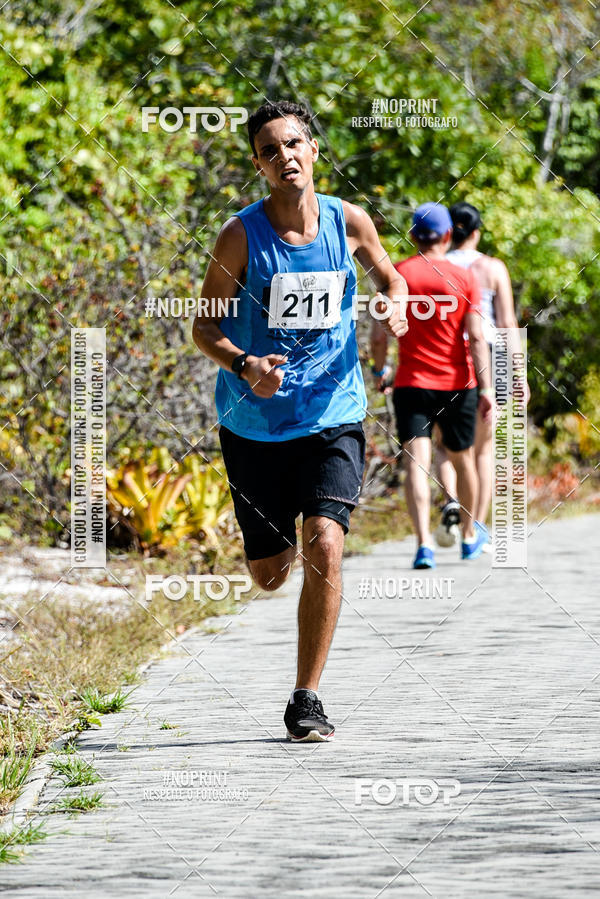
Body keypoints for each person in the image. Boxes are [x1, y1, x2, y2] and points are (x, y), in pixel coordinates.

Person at [193, 100, 407, 742]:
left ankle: (306, 698)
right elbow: (203, 327)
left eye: (294, 143)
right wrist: (244, 362)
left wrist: (392, 308)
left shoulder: (351, 222)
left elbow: (391, 280)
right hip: (253, 423)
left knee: (326, 541)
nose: (285, 155)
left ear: (313, 150)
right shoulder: (240, 236)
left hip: (333, 413)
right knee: (270, 573)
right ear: (258, 165)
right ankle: (270, 550)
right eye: (269, 149)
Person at [371, 202, 493, 570]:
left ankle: (424, 544)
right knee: (463, 459)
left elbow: (379, 334)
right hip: (458, 383)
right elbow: (474, 336)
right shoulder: (465, 277)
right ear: (446, 236)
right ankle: (470, 536)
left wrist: (381, 369)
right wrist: (487, 389)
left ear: (412, 236)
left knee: (417, 464)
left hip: (412, 383)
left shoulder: (397, 276)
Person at [434, 202, 526, 549]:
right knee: (483, 450)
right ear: (476, 232)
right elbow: (506, 324)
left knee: (445, 445)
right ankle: (475, 529)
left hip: (445, 357)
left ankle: (452, 502)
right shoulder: (491, 268)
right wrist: (518, 374)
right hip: (488, 355)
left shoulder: (435, 265)